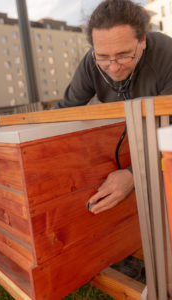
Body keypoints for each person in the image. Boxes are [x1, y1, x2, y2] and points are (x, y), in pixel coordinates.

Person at [56, 0, 172, 215]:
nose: (113, 67)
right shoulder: (91, 62)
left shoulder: (168, 55)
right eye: (103, 57)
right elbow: (64, 111)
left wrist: (135, 174)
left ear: (143, 41)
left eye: (123, 55)